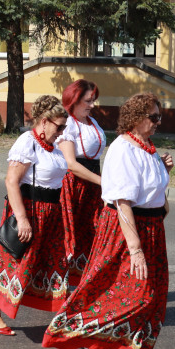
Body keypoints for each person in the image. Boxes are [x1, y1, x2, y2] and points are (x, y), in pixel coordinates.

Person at [43, 93, 174, 349]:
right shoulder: (123, 149)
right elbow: (123, 201)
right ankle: (105, 346)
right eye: (153, 117)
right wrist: (135, 248)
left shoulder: (148, 146)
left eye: (159, 117)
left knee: (152, 296)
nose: (157, 122)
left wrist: (163, 172)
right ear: (137, 118)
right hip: (127, 230)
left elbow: (151, 189)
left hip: (152, 228)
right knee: (136, 294)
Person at [0, 95, 70, 335]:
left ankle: (61, 318)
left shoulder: (53, 147)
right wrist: (22, 219)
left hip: (51, 213)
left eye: (64, 127)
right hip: (30, 209)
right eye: (58, 126)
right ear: (43, 121)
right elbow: (11, 181)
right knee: (18, 264)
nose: (61, 132)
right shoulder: (26, 142)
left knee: (52, 265)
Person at [58, 79, 107, 284]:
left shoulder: (92, 122)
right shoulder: (68, 123)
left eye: (93, 100)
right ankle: (64, 282)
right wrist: (102, 181)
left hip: (92, 185)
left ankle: (82, 281)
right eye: (88, 101)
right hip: (75, 185)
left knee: (93, 232)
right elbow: (71, 163)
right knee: (73, 233)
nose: (92, 105)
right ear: (74, 100)